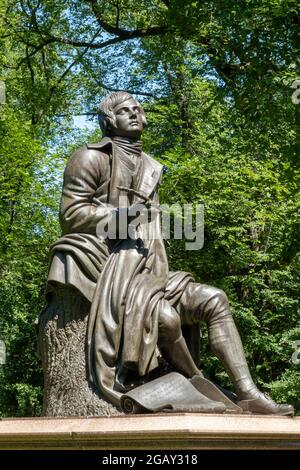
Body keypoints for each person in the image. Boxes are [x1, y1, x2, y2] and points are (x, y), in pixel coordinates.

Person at [45, 91, 293, 415]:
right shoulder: (90, 158)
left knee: (215, 299)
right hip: (111, 270)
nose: (134, 114)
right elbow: (71, 214)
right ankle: (195, 381)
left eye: (138, 109)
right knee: (164, 318)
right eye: (123, 111)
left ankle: (248, 393)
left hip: (150, 273)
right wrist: (122, 218)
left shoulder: (151, 168)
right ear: (109, 120)